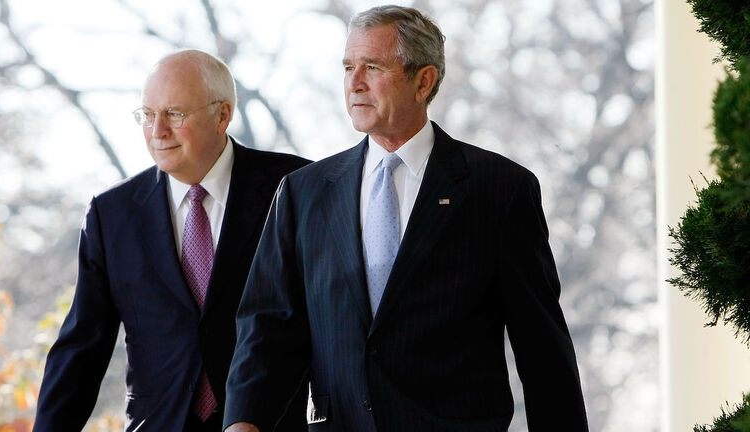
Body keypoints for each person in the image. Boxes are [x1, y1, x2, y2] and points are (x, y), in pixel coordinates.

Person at [224, 5, 589, 432]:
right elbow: (266, 331)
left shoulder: (500, 189)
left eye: (373, 67)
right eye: (347, 67)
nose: (354, 83)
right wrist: (243, 422)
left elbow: (541, 347)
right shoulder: (303, 194)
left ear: (424, 81)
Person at [33, 49, 310, 432]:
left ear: (223, 115)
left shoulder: (294, 186)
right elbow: (82, 347)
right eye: (147, 115)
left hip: (270, 424)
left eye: (175, 114)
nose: (157, 130)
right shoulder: (112, 213)